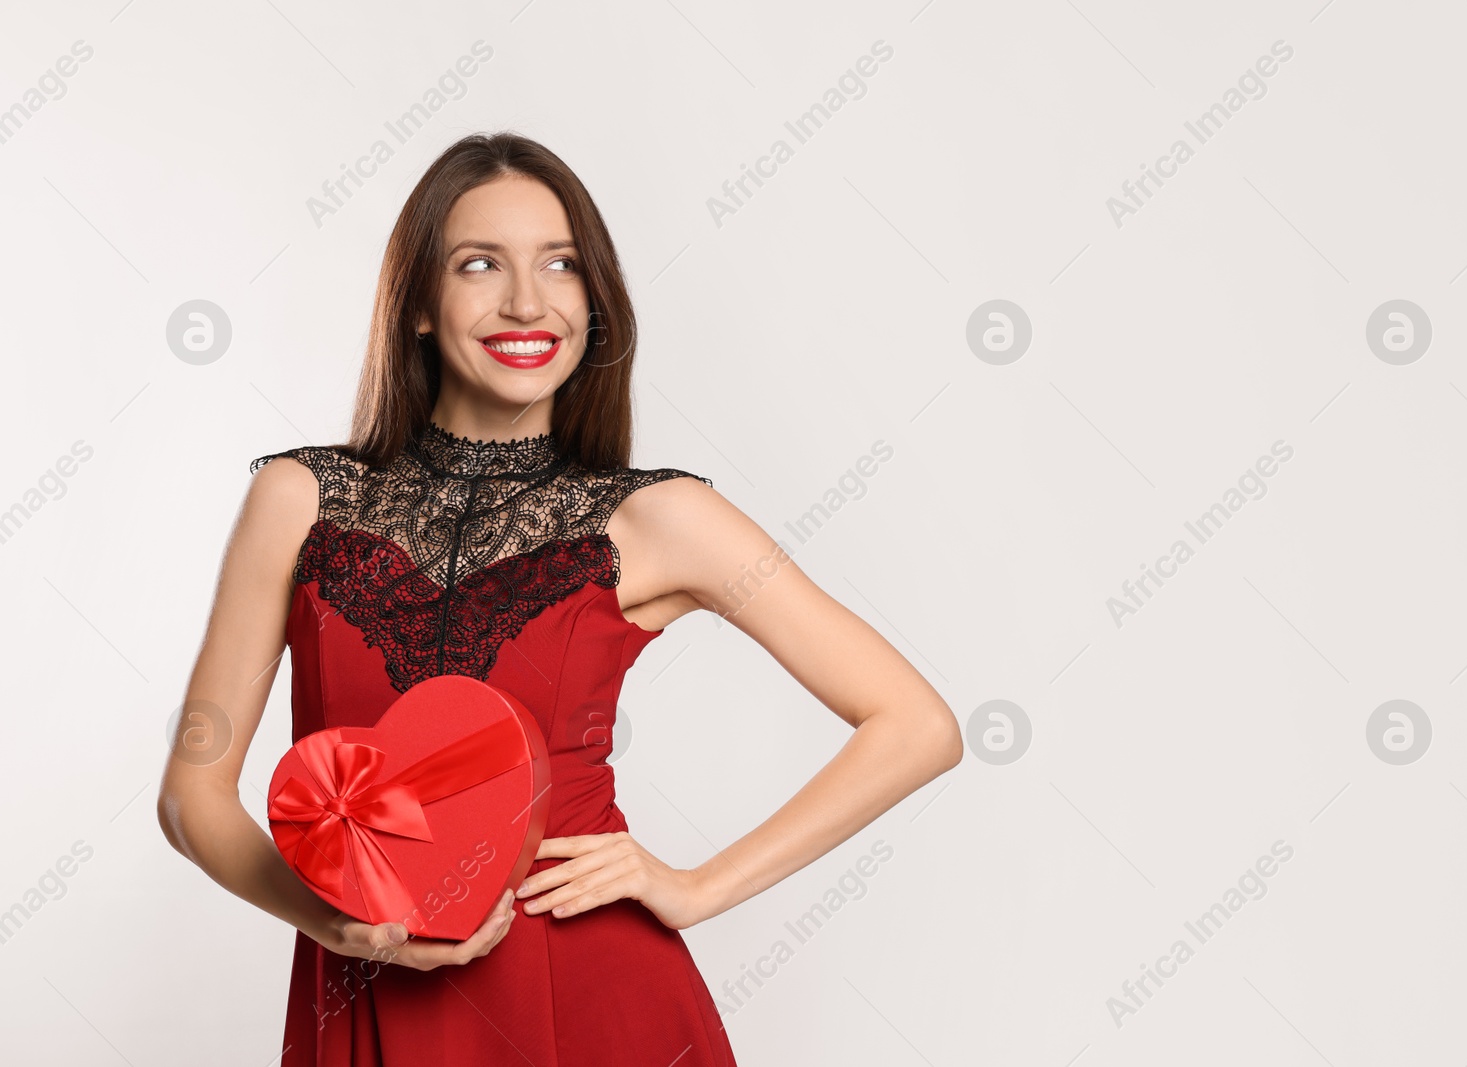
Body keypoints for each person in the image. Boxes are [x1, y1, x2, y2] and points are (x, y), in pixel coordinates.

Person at [156, 130, 963, 1065]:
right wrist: (331, 924)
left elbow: (916, 724)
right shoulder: (298, 501)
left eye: (561, 265)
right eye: (479, 264)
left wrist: (697, 887)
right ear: (418, 302)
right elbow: (192, 793)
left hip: (594, 996)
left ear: (595, 303)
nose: (526, 301)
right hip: (364, 993)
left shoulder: (657, 518)